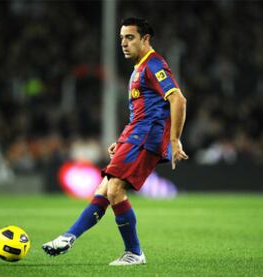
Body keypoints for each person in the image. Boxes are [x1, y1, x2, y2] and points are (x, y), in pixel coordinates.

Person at [42, 17, 188, 266]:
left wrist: (175, 139)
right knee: (105, 188)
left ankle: (134, 252)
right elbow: (143, 111)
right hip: (134, 137)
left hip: (146, 138)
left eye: (130, 37)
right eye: (121, 38)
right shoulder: (138, 68)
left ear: (145, 39)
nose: (124, 43)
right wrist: (122, 141)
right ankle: (68, 237)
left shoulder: (154, 65)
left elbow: (178, 100)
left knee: (115, 189)